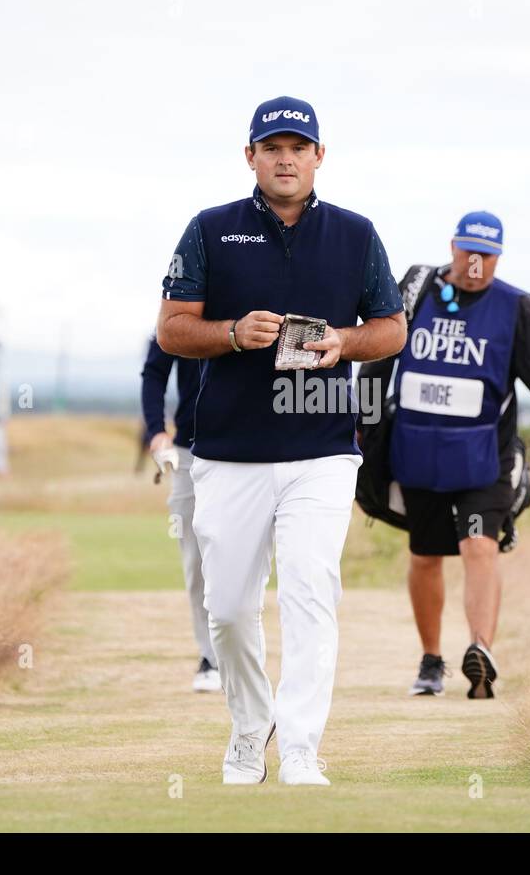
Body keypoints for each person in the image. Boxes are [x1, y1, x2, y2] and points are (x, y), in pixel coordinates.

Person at [155, 96, 406, 785]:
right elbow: (172, 328)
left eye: (299, 147)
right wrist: (234, 333)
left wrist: (344, 343)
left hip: (323, 447)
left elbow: (391, 328)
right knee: (230, 609)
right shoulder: (211, 229)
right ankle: (248, 727)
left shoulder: (357, 235)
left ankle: (299, 745)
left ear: (320, 156)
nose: (286, 158)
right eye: (273, 147)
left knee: (309, 589)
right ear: (251, 157)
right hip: (228, 453)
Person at [383, 211, 530, 698]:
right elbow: (380, 360)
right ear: (453, 247)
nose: (476, 263)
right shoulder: (415, 291)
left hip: (483, 461)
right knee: (425, 556)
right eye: (469, 251)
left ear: (498, 258)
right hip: (418, 453)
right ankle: (430, 661)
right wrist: (358, 430)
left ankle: (480, 651)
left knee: (479, 546)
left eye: (487, 256)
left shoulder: (514, 309)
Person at [139, 335, 220, 693]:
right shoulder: (183, 297)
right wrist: (156, 432)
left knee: (244, 558)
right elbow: (155, 371)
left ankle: (240, 652)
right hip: (190, 450)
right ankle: (212, 657)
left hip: (254, 451)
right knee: (196, 561)